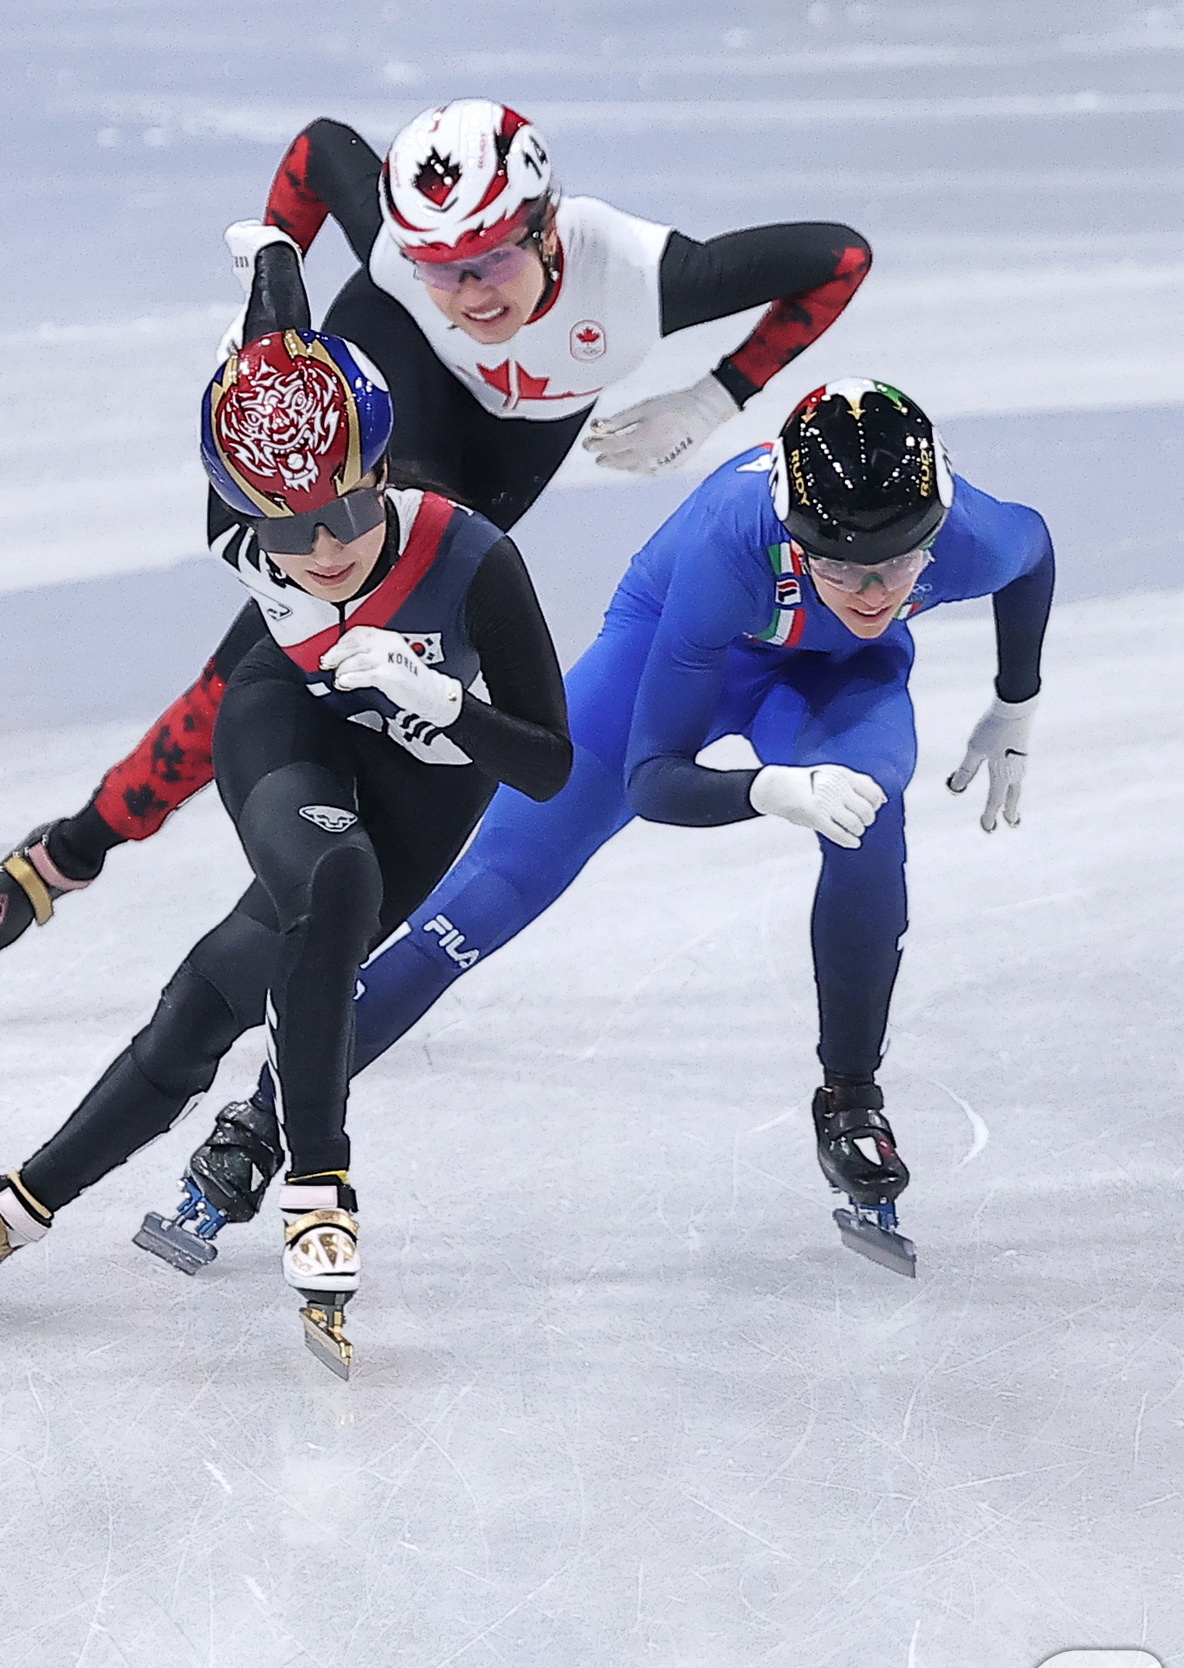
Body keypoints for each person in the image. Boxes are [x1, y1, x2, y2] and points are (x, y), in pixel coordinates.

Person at [0, 94, 871, 993]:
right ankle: (72, 853)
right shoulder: (401, 265)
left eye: (491, 258)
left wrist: (719, 393)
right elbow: (318, 146)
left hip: (501, 450)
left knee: (407, 658)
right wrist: (272, 309)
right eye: (437, 263)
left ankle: (234, 874)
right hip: (387, 390)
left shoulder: (641, 275)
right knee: (280, 640)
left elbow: (841, 257)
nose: (467, 291)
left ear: (547, 226)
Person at [0, 236, 572, 1376]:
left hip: (434, 763)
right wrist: (68, 851)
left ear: (380, 469)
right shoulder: (244, 517)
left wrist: (446, 702)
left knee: (229, 980)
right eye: (286, 531)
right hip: (285, 713)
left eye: (342, 513)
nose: (321, 548)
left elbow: (548, 766)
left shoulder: (470, 557)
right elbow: (266, 364)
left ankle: (21, 1201)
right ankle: (321, 1181)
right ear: (244, 516)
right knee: (334, 879)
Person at [165, 377, 1055, 1278]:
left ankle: (852, 1098)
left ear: (936, 533)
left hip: (836, 679)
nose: (870, 591)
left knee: (871, 820)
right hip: (669, 651)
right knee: (482, 905)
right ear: (793, 536)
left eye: (900, 567)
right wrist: (765, 789)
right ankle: (267, 1115)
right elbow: (654, 777)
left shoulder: (969, 537)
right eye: (837, 566)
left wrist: (1016, 699)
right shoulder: (727, 553)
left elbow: (1037, 555)